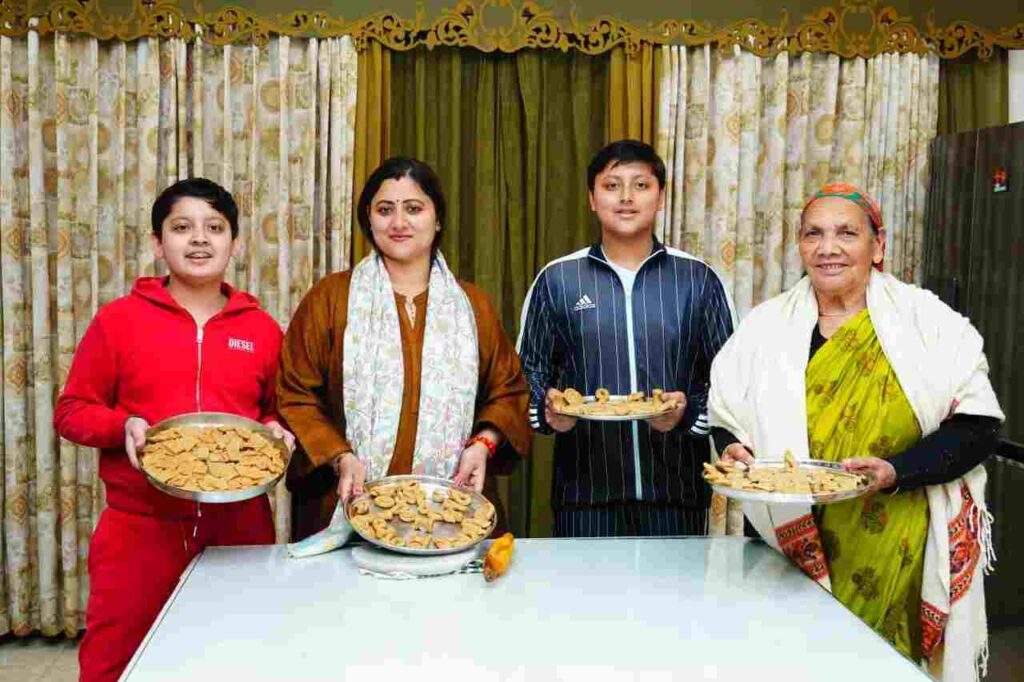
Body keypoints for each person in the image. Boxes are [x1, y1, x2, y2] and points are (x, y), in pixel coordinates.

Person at [708, 183, 1002, 679]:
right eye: (813, 234)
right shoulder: (765, 327)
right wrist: (732, 448)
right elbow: (726, 417)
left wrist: (896, 470)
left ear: (877, 245)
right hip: (788, 541)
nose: (828, 248)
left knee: (879, 664)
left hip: (895, 537)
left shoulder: (927, 323)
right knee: (792, 662)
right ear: (800, 246)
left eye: (846, 233)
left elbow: (978, 427)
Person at [54, 178, 294, 682]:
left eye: (215, 228)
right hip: (139, 527)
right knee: (114, 663)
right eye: (182, 227)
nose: (200, 238)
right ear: (158, 244)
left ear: (235, 243)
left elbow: (276, 412)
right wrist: (123, 424)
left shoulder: (262, 330)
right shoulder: (118, 321)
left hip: (241, 526)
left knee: (235, 658)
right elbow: (72, 410)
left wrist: (277, 428)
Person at [277, 157, 530, 540]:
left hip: (451, 510)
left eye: (413, 208)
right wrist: (339, 456)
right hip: (342, 505)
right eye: (385, 210)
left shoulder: (472, 305)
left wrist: (483, 445)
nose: (399, 222)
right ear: (368, 219)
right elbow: (295, 394)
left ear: (437, 219)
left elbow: (508, 391)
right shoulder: (329, 299)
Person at [516, 139, 735, 537]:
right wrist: (548, 411)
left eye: (641, 185)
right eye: (612, 185)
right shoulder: (558, 279)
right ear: (592, 198)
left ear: (661, 197)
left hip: (678, 495)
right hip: (583, 496)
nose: (626, 198)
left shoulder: (698, 279)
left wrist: (687, 413)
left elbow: (729, 379)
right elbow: (526, 374)